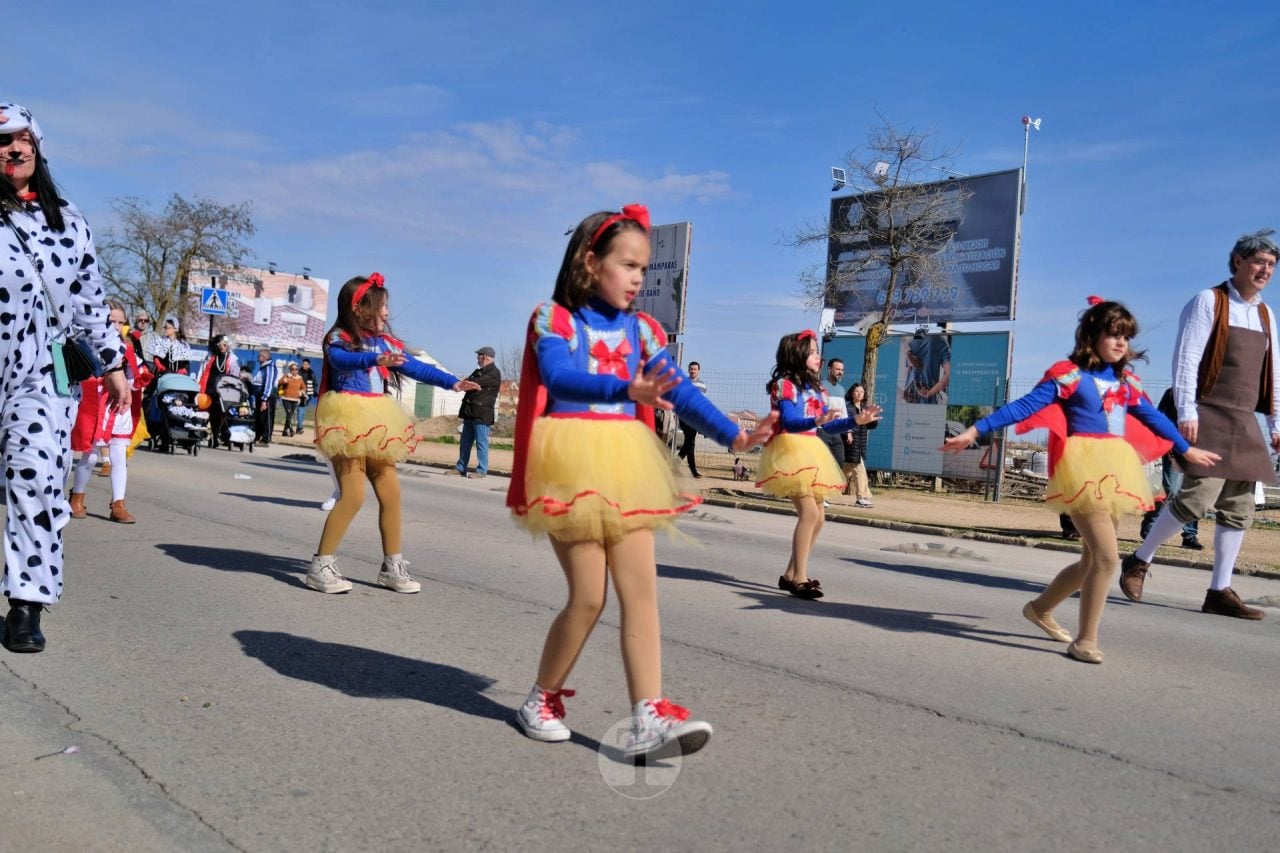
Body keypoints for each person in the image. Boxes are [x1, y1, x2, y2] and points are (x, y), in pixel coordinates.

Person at [507, 205, 776, 758]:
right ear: (589, 262)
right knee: (587, 598)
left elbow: (682, 392)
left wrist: (735, 437)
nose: (637, 279)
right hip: (570, 461)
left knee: (642, 593)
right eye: (628, 265)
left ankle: (647, 714)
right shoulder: (553, 319)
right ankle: (541, 697)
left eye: (644, 270)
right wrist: (625, 390)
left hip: (629, 465)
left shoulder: (645, 330)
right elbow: (558, 375)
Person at [942, 297, 1219, 664]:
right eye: (1113, 335)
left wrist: (1186, 449)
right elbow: (1023, 406)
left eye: (1126, 337)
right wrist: (975, 429)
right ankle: (1086, 640)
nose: (1121, 343)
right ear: (1092, 335)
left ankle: (1040, 608)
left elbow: (1154, 417)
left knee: (1091, 561)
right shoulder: (1068, 374)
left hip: (1115, 470)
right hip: (1081, 471)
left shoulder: (1125, 381)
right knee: (1107, 558)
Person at [0, 103, 129, 652]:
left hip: (40, 372)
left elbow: (90, 302)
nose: (12, 148)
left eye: (21, 138)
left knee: (35, 479)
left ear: (37, 146)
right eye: (1, 140)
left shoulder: (68, 220)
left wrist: (114, 362)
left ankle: (26, 605)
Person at [1119, 230, 1280, 620]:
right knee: (1198, 498)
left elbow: (1272, 371)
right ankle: (1139, 561)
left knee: (1240, 506)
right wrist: (1187, 412)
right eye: (1259, 261)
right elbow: (1187, 359)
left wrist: (1276, 421)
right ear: (1238, 261)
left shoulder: (1265, 313)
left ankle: (1219, 590)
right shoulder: (1209, 301)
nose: (1265, 270)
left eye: (1271, 265)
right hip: (1207, 411)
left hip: (1243, 418)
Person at [308, 273, 479, 595]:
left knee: (391, 493)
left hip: (378, 420)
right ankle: (320, 565)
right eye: (383, 306)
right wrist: (375, 358)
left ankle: (391, 566)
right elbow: (342, 361)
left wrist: (452, 382)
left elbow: (415, 367)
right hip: (347, 419)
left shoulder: (384, 342)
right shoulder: (338, 337)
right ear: (360, 308)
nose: (387, 313)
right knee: (354, 496)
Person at [757, 330, 882, 600]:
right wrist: (818, 420)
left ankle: (790, 575)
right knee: (809, 514)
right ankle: (800, 579)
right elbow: (790, 421)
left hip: (811, 449)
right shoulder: (785, 385)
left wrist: (856, 421)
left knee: (819, 516)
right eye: (813, 351)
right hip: (789, 450)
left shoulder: (815, 388)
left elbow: (829, 424)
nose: (818, 356)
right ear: (798, 355)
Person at [69, 302, 152, 524]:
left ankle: (118, 504)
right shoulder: (89, 342)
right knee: (92, 453)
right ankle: (77, 497)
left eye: (120, 322)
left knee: (118, 455)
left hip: (120, 406)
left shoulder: (128, 347)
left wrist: (136, 378)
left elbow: (136, 375)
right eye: (111, 321)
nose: (116, 326)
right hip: (97, 404)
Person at [1138, 388, 1202, 549]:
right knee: (1170, 490)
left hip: (1199, 450)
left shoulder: (1208, 395)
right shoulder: (1173, 393)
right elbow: (1159, 418)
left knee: (1193, 494)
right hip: (1174, 449)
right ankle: (1151, 522)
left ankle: (1190, 535)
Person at [455, 345, 501, 478]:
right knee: (465, 442)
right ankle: (460, 468)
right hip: (470, 412)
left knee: (481, 443)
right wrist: (465, 382)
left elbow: (472, 383)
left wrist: (466, 381)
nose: (477, 359)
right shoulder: (478, 371)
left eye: (478, 356)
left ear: (485, 357)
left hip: (482, 414)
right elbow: (466, 383)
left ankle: (481, 470)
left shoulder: (493, 374)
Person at [197, 334, 240, 448]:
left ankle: (223, 434)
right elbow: (202, 371)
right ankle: (214, 436)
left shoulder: (232, 359)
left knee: (222, 413)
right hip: (210, 388)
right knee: (212, 413)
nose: (222, 347)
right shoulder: (211, 356)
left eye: (224, 345)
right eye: (219, 344)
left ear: (228, 346)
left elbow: (234, 376)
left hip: (224, 390)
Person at [842, 381, 878, 507]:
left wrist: (873, 419)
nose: (859, 393)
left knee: (843, 473)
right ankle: (861, 497)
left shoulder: (864, 409)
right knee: (860, 470)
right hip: (849, 444)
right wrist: (848, 433)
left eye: (862, 392)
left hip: (859, 445)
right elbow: (845, 423)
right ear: (852, 393)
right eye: (857, 391)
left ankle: (825, 494)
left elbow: (870, 426)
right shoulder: (848, 408)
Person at [675, 361, 709, 478]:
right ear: (688, 370)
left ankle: (675, 466)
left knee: (689, 443)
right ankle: (692, 471)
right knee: (690, 442)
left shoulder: (703, 386)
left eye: (695, 369)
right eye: (691, 369)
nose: (693, 371)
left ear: (698, 370)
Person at [903, 332, 951, 404]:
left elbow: (908, 371)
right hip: (928, 398)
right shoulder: (940, 342)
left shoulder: (910, 342)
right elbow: (949, 374)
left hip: (908, 396)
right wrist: (929, 393)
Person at [251, 348, 279, 446]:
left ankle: (266, 439)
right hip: (261, 395)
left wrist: (264, 399)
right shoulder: (263, 367)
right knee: (259, 417)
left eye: (259, 356)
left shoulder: (269, 367)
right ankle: (257, 436)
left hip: (267, 396)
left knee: (266, 418)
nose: (258, 358)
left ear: (264, 357)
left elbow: (269, 384)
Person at [277, 362, 305, 438]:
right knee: (289, 414)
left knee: (290, 415)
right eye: (292, 369)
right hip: (286, 398)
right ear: (290, 370)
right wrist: (283, 381)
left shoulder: (300, 378)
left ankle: (285, 431)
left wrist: (301, 392)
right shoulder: (287, 376)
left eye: (296, 369)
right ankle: (291, 430)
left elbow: (303, 387)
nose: (294, 371)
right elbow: (279, 383)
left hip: (295, 399)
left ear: (298, 370)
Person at [297, 357, 317, 434]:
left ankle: (299, 427)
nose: (304, 365)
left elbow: (315, 384)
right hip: (299, 394)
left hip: (308, 395)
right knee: (300, 410)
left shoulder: (311, 373)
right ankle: (299, 427)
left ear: (309, 365)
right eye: (303, 363)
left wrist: (311, 393)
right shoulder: (299, 372)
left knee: (302, 410)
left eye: (306, 364)